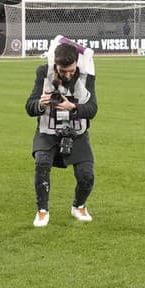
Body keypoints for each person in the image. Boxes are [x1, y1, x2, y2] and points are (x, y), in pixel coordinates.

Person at [24, 38, 98, 227]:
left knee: (86, 176)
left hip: (77, 132)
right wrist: (39, 104)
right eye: (63, 71)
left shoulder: (86, 75)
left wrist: (72, 107)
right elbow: (29, 106)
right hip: (48, 131)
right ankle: (42, 210)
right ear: (55, 64)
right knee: (42, 163)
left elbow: (92, 109)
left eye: (71, 71)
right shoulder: (43, 73)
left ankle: (79, 206)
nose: (67, 75)